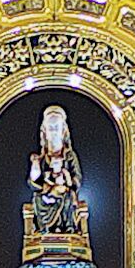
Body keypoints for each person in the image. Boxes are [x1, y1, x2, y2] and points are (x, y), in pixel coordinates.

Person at [23, 102, 90, 257]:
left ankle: (66, 229)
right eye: (50, 129)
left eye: (56, 128)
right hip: (46, 193)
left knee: (66, 197)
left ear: (63, 131)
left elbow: (77, 179)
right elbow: (34, 183)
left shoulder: (70, 156)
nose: (53, 132)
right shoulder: (41, 158)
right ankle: (46, 229)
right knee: (38, 199)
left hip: (65, 191)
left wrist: (66, 177)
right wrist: (36, 168)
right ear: (44, 132)